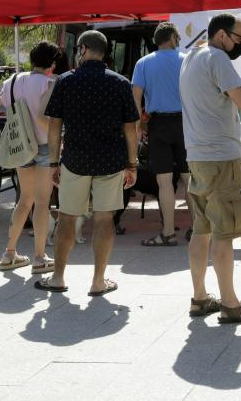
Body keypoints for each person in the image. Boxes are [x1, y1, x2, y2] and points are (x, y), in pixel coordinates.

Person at [180, 13, 241, 323]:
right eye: (239, 38)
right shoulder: (218, 58)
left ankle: (199, 297)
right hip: (222, 157)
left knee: (202, 230)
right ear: (222, 35)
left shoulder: (190, 57)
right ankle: (231, 304)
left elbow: (232, 103)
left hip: (197, 155)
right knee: (224, 233)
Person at [39, 30, 139, 295]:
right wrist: (132, 164)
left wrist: (52, 162)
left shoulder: (66, 81)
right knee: (105, 220)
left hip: (75, 160)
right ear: (104, 51)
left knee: (67, 218)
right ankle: (98, 281)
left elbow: (54, 126)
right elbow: (131, 128)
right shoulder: (120, 82)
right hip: (111, 161)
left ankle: (58, 277)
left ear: (82, 49)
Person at [0, 41, 59, 274]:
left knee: (24, 200)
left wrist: (1, 138)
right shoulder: (49, 83)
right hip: (45, 147)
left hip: (21, 148)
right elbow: (41, 119)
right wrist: (59, 135)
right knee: (42, 202)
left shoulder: (12, 82)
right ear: (52, 64)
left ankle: (9, 253)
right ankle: (39, 257)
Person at [132, 22, 190, 246]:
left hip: (158, 125)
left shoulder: (143, 63)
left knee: (164, 182)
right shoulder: (187, 60)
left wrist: (140, 126)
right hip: (185, 124)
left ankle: (168, 232)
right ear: (174, 38)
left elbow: (136, 98)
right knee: (189, 178)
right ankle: (196, 229)